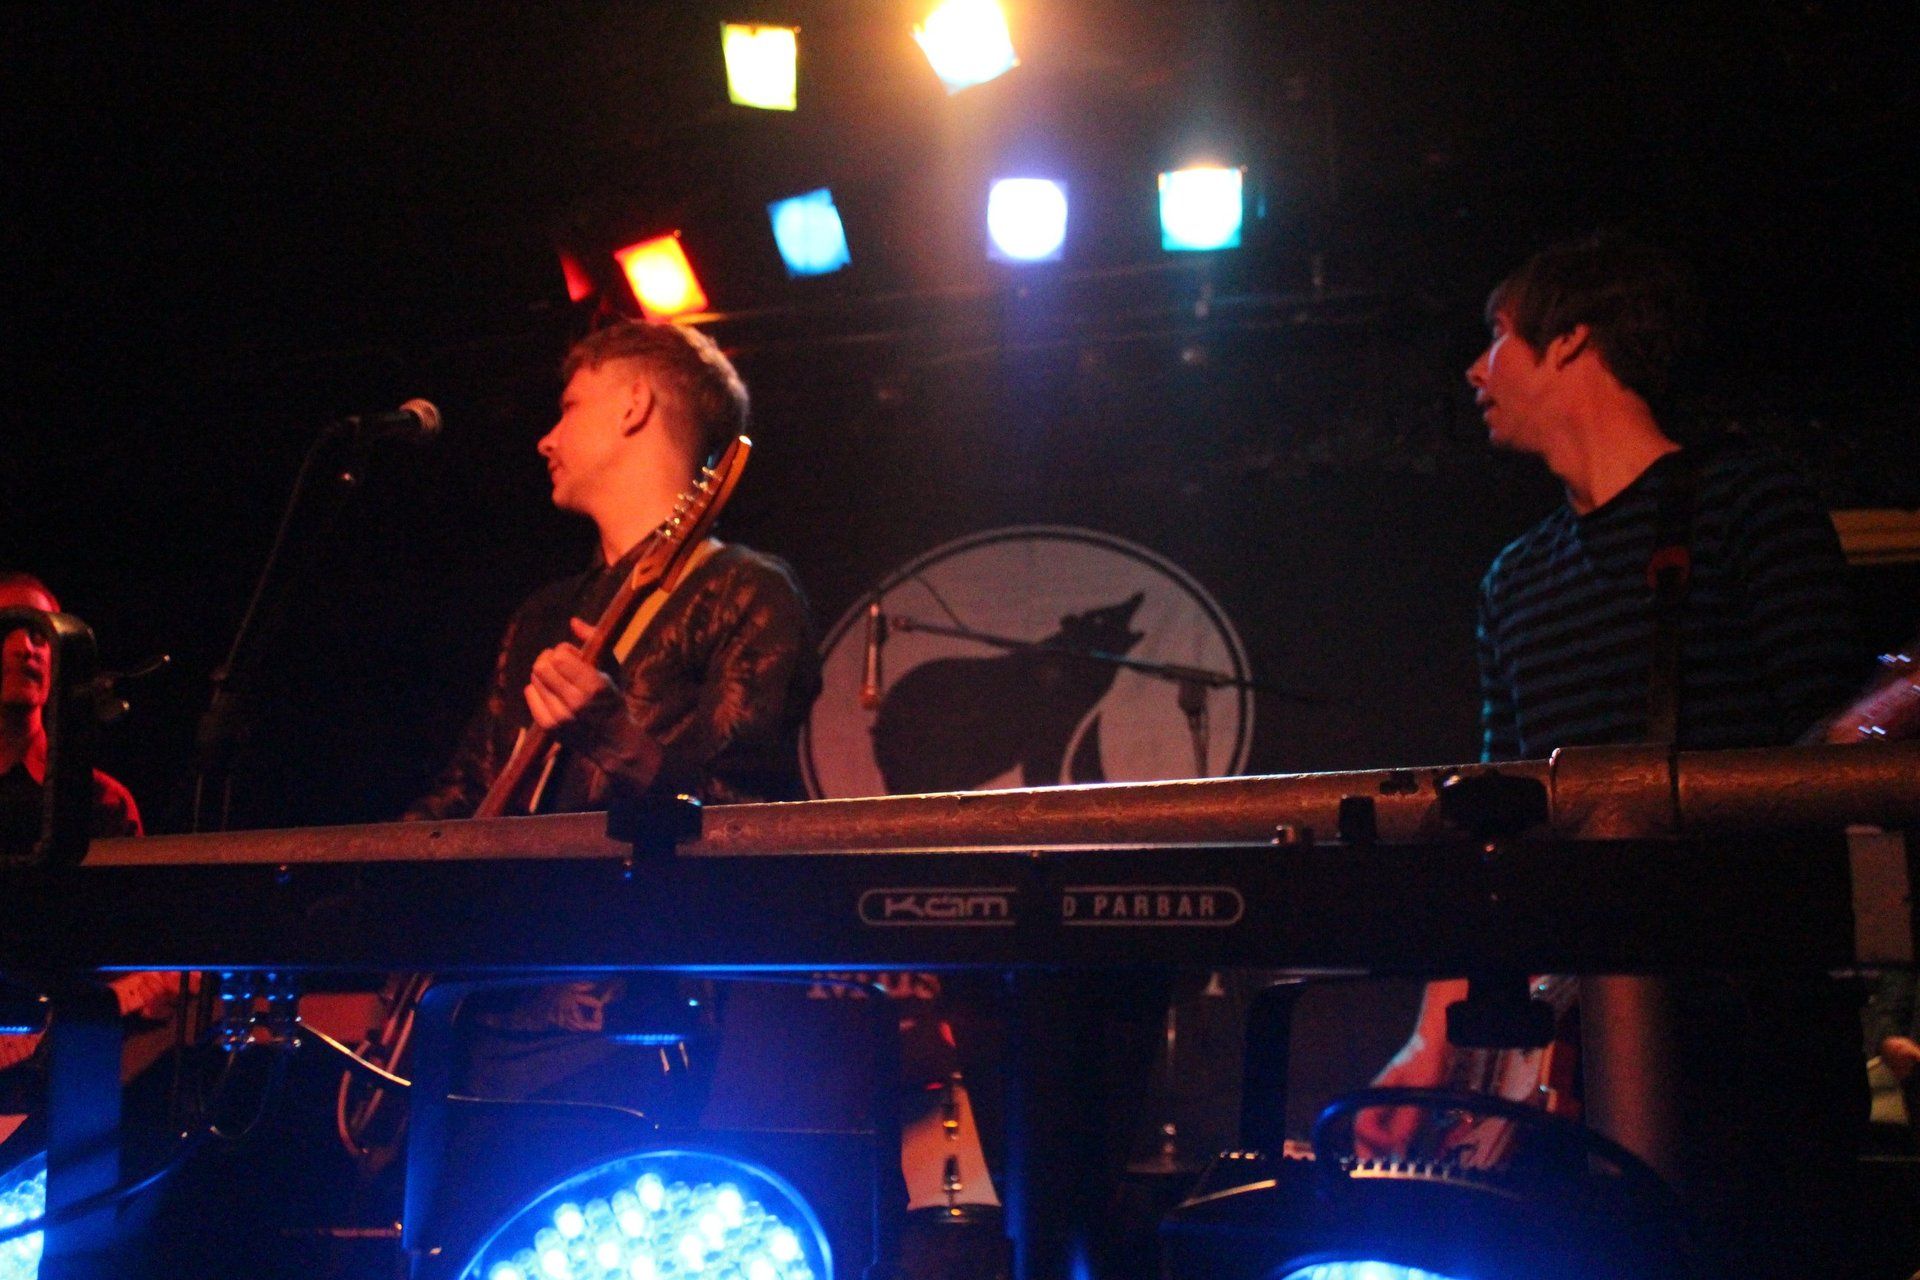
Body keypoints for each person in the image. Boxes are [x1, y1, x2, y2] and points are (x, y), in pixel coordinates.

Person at [1353, 235, 1867, 1273]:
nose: (1475, 367)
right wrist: (1433, 1038)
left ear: (1573, 336)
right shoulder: (1512, 575)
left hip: (1751, 1035)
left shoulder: (1748, 503)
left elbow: (1840, 754)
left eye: (1497, 336)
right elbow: (1494, 832)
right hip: (1572, 1058)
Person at [400, 319, 822, 1107]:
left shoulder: (745, 591)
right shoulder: (543, 613)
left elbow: (754, 827)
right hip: (488, 1024)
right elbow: (465, 794)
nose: (544, 438)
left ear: (633, 404)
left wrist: (622, 746)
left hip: (638, 1034)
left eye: (568, 406)